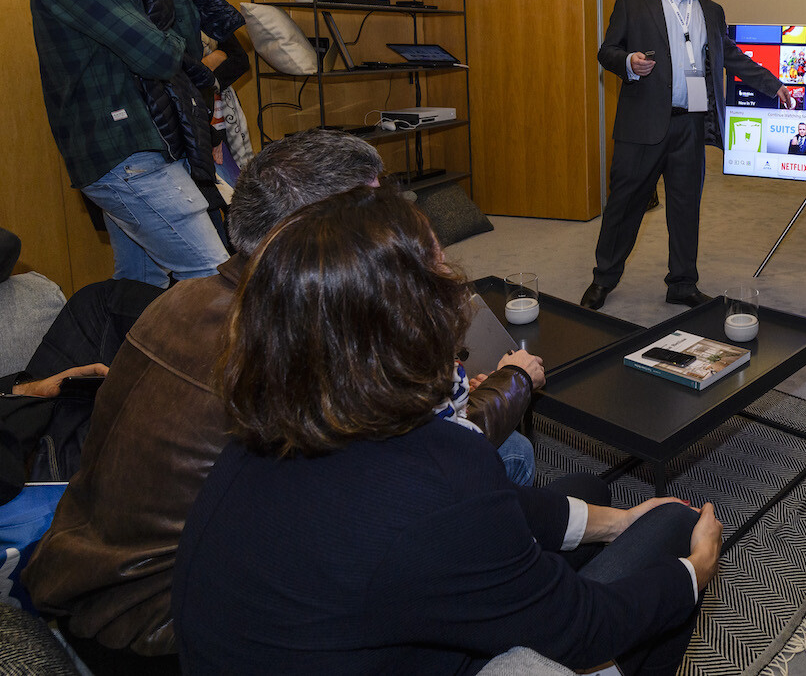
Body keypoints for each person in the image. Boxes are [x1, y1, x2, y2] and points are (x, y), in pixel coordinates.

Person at [23, 130, 541, 670]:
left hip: (81, 589)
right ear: (322, 233)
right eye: (375, 210)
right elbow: (430, 460)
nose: (395, 225)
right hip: (178, 631)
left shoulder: (184, 296)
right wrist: (514, 382)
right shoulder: (297, 339)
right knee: (511, 455)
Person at [173, 183, 723, 674]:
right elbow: (583, 629)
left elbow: (477, 512)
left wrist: (618, 522)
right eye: (441, 271)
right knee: (674, 525)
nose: (457, 286)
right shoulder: (437, 471)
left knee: (588, 491)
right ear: (412, 319)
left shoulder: (266, 434)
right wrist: (694, 573)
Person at [30, 0, 229, 288]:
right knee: (214, 279)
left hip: (145, 147)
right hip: (127, 152)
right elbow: (159, 57)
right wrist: (167, 41)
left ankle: (126, 336)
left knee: (140, 285)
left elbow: (188, 57)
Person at [581, 0, 793, 310]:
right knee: (624, 206)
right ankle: (603, 279)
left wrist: (773, 84)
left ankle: (681, 283)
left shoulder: (711, 10)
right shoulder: (632, 0)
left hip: (690, 126)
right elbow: (606, 51)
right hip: (641, 125)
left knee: (685, 209)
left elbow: (731, 56)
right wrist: (628, 62)